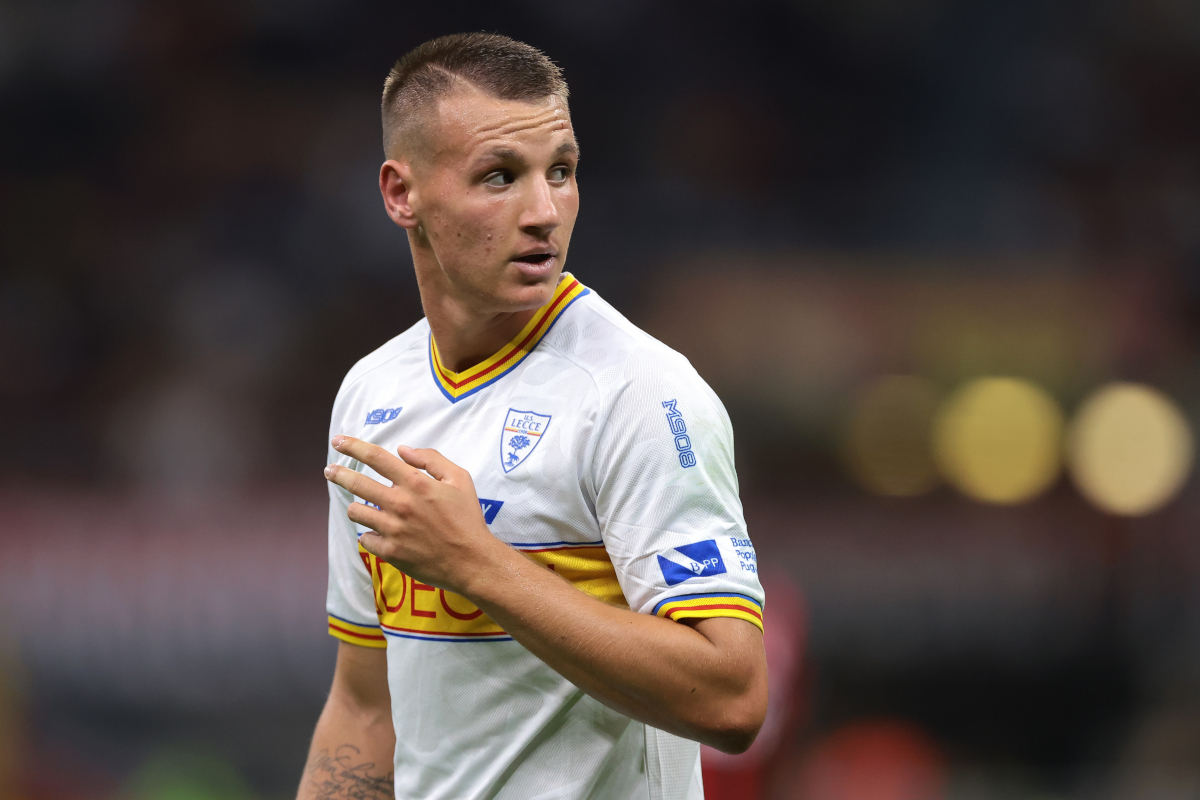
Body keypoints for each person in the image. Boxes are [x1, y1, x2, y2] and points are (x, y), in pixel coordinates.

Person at [297, 33, 767, 800]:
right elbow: (364, 705)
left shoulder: (641, 394)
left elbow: (733, 697)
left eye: (562, 171)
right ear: (400, 194)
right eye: (498, 177)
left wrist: (474, 564)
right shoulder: (371, 394)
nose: (544, 211)